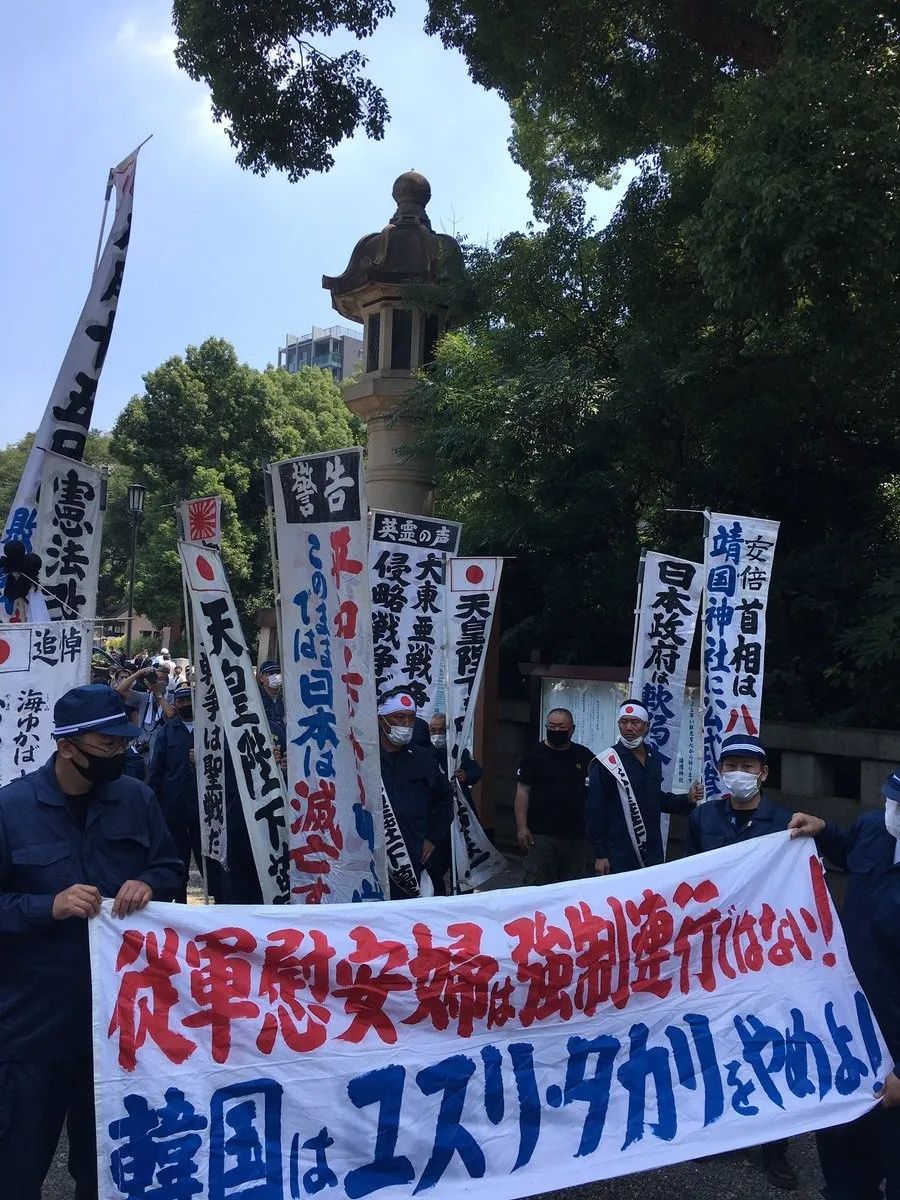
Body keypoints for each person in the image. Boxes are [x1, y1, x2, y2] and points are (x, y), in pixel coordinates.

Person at [0, 684, 182, 1200]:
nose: (119, 755)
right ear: (67, 747)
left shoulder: (136, 797)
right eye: (107, 746)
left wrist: (150, 882)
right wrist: (46, 907)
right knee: (18, 1160)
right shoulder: (11, 810)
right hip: (33, 1023)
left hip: (119, 1024)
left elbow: (168, 866)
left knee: (105, 1163)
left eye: (124, 744)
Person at [684, 733, 797, 1190]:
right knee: (719, 1035)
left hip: (766, 952)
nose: (739, 774)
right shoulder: (703, 817)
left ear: (764, 773)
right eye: (731, 765)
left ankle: (776, 1147)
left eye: (748, 767)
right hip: (715, 947)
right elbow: (688, 876)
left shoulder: (786, 822)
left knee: (771, 1042)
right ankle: (726, 1132)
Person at [789, 772, 900, 1199]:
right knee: (845, 1168)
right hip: (847, 1033)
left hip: (895, 1046)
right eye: (893, 800)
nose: (894, 812)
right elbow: (851, 847)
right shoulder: (877, 828)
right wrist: (824, 831)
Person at [587, 698, 701, 875]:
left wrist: (687, 798)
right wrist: (600, 854)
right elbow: (595, 810)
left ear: (646, 726)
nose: (629, 728)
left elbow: (656, 798)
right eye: (624, 722)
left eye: (635, 722)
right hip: (617, 852)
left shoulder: (653, 758)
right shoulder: (606, 763)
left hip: (652, 850)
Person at [379, 690, 452, 899]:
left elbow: (445, 800)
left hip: (412, 855)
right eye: (399, 717)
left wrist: (431, 838)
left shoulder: (424, 759)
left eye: (411, 718)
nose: (406, 724)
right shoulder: (365, 758)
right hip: (372, 856)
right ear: (382, 719)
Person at [515, 707, 594, 886]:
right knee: (536, 885)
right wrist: (522, 827)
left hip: (575, 835)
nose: (556, 730)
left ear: (571, 729)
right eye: (552, 726)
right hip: (541, 834)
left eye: (561, 727)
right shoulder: (533, 755)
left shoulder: (583, 755)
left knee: (572, 888)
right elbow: (522, 792)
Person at [148, 685, 201, 902]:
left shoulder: (211, 730)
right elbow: (156, 771)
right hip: (173, 807)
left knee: (210, 861)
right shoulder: (167, 732)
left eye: (190, 699)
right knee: (177, 860)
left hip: (204, 809)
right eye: (181, 701)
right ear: (175, 704)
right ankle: (179, 905)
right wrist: (153, 807)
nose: (186, 704)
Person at [427, 711, 483, 895]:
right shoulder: (424, 752)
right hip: (436, 820)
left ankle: (463, 901)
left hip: (460, 817)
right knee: (434, 869)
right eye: (433, 730)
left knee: (463, 867)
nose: (437, 734)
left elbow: (476, 771)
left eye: (441, 730)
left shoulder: (458, 751)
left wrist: (466, 776)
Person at [258, 660, 286, 753]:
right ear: (262, 678)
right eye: (270, 674)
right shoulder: (257, 700)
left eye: (277, 672)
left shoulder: (285, 700)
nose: (275, 676)